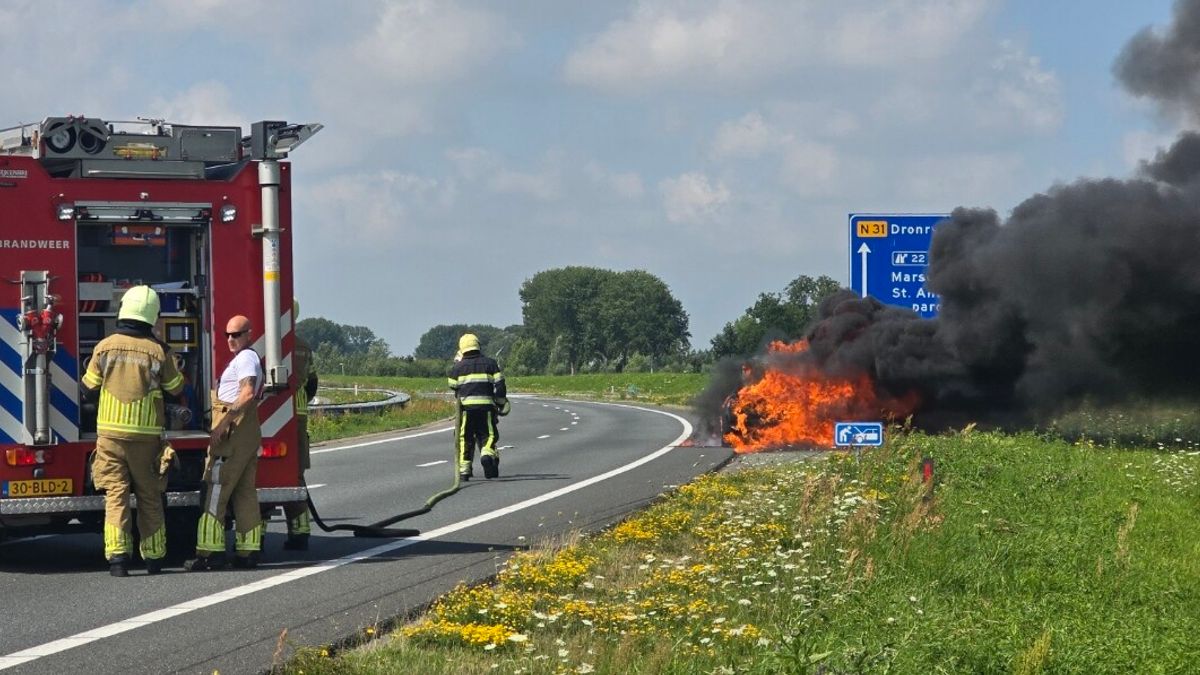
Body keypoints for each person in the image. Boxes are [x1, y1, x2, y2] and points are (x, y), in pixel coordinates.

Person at [81, 286, 184, 577]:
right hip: (145, 437)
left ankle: (117, 560)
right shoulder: (159, 351)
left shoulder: (105, 346)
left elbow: (87, 388)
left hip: (110, 437)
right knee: (150, 496)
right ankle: (153, 559)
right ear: (152, 314)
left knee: (116, 496)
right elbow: (175, 389)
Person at [185, 315, 265, 571]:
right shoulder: (245, 358)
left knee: (215, 490)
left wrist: (224, 422)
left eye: (237, 334)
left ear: (249, 334)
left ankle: (209, 554)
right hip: (246, 434)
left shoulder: (246, 359)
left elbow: (248, 392)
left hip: (233, 434)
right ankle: (247, 552)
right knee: (244, 493)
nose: (231, 339)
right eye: (227, 335)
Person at [281, 300, 318, 551]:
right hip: (298, 415)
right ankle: (300, 531)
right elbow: (313, 382)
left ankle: (256, 537)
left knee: (261, 476)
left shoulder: (262, 341)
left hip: (266, 417)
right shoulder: (303, 346)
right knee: (295, 475)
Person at [447, 333, 509, 480]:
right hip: (486, 408)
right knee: (488, 434)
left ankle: (464, 470)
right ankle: (487, 454)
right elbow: (500, 385)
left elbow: (452, 385)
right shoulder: (491, 364)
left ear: (462, 349)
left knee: (464, 437)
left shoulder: (457, 367)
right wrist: (501, 402)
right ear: (478, 346)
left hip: (466, 410)